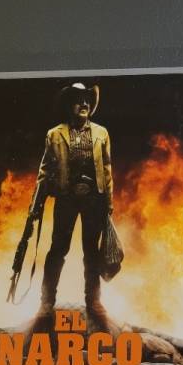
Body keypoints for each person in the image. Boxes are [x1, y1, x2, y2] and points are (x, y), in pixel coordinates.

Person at [36, 82, 114, 322]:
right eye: (79, 100)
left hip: (94, 199)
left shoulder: (101, 133)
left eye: (87, 100)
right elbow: (44, 171)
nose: (84, 104)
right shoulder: (55, 134)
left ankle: (94, 302)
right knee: (58, 250)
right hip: (66, 198)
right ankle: (46, 302)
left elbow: (107, 169)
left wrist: (109, 203)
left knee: (92, 252)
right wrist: (36, 204)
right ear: (69, 105)